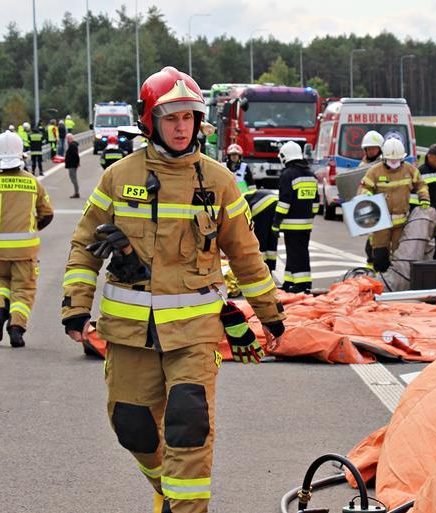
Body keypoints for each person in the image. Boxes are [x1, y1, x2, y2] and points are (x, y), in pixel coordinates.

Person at [61, 66, 285, 513]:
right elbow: (84, 245)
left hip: (195, 332)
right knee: (132, 427)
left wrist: (270, 312)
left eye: (189, 117)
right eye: (171, 118)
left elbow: (245, 255)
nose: (182, 127)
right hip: (128, 332)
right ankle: (167, 488)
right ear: (151, 121)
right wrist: (75, 307)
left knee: (189, 423)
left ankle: (185, 508)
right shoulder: (117, 177)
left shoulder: (218, 181)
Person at [0, 131, 54, 347]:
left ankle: (1, 308)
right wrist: (32, 227)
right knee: (23, 288)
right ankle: (16, 328)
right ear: (20, 154)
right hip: (25, 251)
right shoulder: (32, 183)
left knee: (1, 283)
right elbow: (47, 214)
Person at [358, 138, 429, 272]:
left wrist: (424, 197)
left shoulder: (410, 170)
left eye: (397, 160)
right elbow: (365, 186)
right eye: (392, 160)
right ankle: (380, 283)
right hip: (381, 222)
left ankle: (396, 284)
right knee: (379, 255)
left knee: (399, 256)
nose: (394, 163)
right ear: (384, 158)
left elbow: (421, 184)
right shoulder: (375, 171)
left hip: (401, 222)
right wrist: (366, 195)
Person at [273, 141, 318, 292]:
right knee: (299, 251)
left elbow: (284, 202)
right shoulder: (311, 175)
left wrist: (276, 222)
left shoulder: (288, 175)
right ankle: (289, 281)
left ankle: (302, 284)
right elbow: (316, 202)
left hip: (291, 223)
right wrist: (310, 216)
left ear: (285, 157)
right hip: (306, 223)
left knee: (295, 253)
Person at [359, 130, 385, 268]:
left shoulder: (385, 166)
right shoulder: (362, 167)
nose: (370, 151)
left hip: (385, 209)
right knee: (370, 247)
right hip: (370, 209)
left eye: (373, 148)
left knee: (380, 247)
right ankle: (371, 271)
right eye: (368, 149)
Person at [244, 189, 279, 271]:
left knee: (260, 237)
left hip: (260, 204)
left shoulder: (235, 200)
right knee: (271, 237)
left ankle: (260, 267)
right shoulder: (242, 195)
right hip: (274, 200)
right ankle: (270, 266)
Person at [64, 133, 81, 198]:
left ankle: (76, 193)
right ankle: (76, 192)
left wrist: (77, 163)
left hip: (72, 165)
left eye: (68, 139)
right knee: (73, 179)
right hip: (72, 164)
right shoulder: (73, 145)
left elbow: (76, 155)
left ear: (70, 139)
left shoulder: (72, 146)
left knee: (73, 179)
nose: (67, 140)